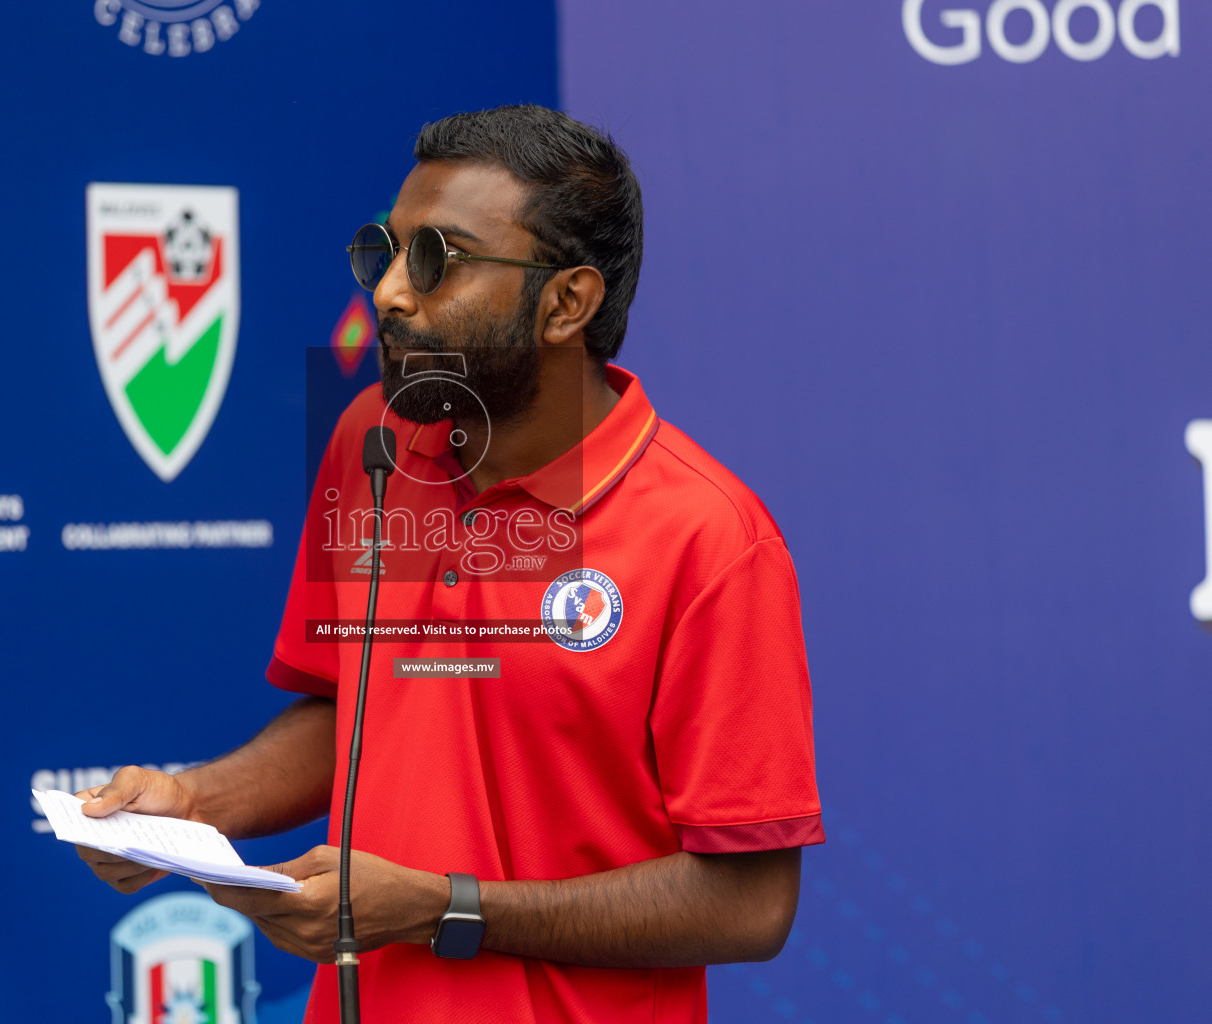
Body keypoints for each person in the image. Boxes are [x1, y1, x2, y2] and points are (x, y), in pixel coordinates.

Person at [76, 104, 823, 1023]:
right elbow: (354, 710)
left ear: (566, 302)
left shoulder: (711, 541)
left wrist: (446, 910)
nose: (389, 292)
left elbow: (748, 904)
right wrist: (193, 800)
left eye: (439, 260)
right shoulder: (370, 443)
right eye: (382, 252)